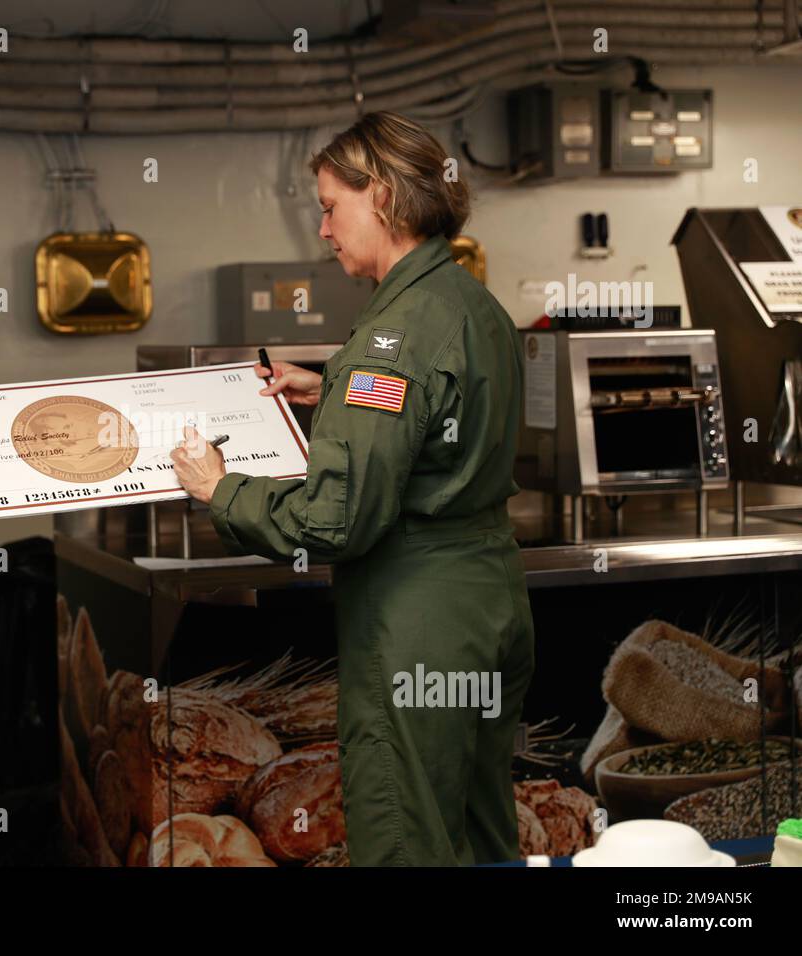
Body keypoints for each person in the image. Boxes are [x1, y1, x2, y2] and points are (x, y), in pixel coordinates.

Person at [171, 112, 534, 866]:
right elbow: (435, 403)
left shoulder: (389, 337)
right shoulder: (472, 304)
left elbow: (335, 520)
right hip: (490, 601)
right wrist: (332, 383)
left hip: (417, 618)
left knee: (404, 833)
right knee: (478, 829)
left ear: (387, 200)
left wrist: (220, 489)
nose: (325, 231)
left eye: (332, 207)